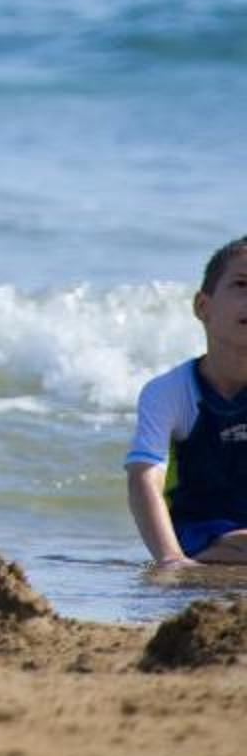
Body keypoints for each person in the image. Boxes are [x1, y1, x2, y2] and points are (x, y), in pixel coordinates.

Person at [125, 235, 247, 571]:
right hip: (200, 534)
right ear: (202, 306)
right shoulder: (169, 391)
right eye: (241, 284)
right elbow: (143, 477)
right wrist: (170, 559)